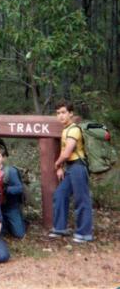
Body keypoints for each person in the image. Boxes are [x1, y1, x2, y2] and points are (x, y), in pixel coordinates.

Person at [48, 100, 93, 243]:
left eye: (63, 112)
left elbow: (67, 152)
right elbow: (64, 152)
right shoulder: (65, 130)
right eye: (58, 113)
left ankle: (84, 233)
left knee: (82, 199)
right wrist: (61, 167)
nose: (60, 116)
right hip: (70, 168)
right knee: (60, 194)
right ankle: (60, 228)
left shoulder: (74, 129)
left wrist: (57, 163)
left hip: (78, 167)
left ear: (70, 113)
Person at [0, 142, 26, 239]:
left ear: (3, 158)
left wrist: (5, 189)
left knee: (19, 234)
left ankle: (19, 221)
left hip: (10, 206)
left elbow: (19, 188)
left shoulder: (10, 171)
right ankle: (3, 225)